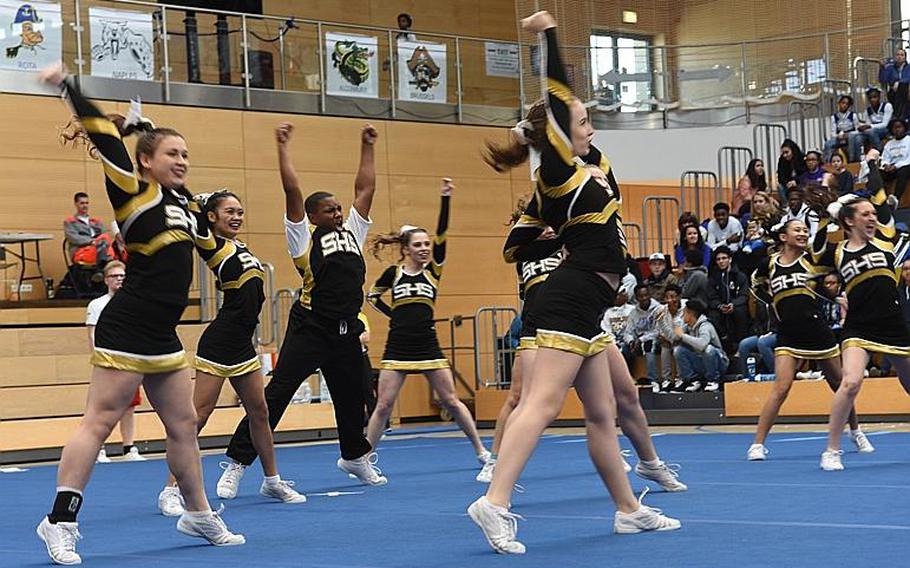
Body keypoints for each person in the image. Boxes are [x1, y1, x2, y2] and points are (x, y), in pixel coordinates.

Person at [469, 11, 679, 555]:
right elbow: (560, 96)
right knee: (539, 404)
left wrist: (557, 238)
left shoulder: (590, 166)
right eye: (583, 123)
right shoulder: (556, 171)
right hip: (572, 294)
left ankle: (629, 509)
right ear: (560, 133)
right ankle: (494, 502)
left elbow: (572, 133)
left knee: (603, 412)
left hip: (590, 302)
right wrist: (549, 36)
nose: (591, 129)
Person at [36, 63, 243, 566]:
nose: (183, 161)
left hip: (162, 335)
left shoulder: (187, 206)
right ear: (146, 161)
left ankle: (196, 512)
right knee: (99, 422)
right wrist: (69, 86)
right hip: (126, 326)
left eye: (187, 154)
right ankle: (59, 520)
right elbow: (103, 132)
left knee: (183, 426)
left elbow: (215, 248)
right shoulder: (134, 191)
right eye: (173, 153)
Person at [218, 121, 384, 494]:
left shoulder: (354, 234)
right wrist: (282, 147)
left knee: (352, 396)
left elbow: (365, 188)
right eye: (329, 210)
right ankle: (237, 462)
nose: (339, 213)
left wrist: (367, 145)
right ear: (312, 216)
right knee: (276, 395)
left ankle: (354, 456)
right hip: (311, 328)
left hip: (345, 329)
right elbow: (291, 189)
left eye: (339, 209)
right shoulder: (302, 238)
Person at [158, 190, 306, 517]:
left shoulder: (241, 247)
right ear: (212, 217)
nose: (237, 216)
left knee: (261, 413)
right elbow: (194, 219)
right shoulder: (213, 245)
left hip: (243, 343)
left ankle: (272, 480)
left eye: (240, 211)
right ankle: (170, 490)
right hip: (220, 341)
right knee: (196, 418)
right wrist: (196, 200)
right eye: (229, 211)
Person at [365, 179, 490, 467]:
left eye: (426, 244)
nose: (424, 249)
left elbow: (443, 234)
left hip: (427, 345)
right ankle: (365, 458)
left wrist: (445, 199)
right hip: (398, 346)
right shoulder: (393, 274)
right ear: (406, 249)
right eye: (418, 245)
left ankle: (482, 450)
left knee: (451, 400)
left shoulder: (433, 271)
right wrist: (392, 315)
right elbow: (372, 296)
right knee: (383, 405)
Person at [808, 150, 910, 470]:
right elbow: (813, 257)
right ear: (849, 220)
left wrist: (873, 167)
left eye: (872, 213)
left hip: (894, 325)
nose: (871, 217)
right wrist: (827, 214)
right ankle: (832, 450)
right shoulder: (838, 253)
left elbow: (880, 199)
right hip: (859, 327)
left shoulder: (887, 240)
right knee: (850, 382)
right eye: (864, 214)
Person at [746, 219, 870, 461]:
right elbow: (755, 284)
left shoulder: (812, 260)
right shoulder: (770, 264)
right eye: (798, 230)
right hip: (788, 334)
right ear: (784, 236)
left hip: (817, 331)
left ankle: (856, 431)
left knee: (841, 385)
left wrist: (837, 299)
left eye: (805, 230)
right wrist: (771, 300)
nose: (803, 233)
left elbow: (827, 284)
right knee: (781, 387)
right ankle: (758, 444)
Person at [476, 214, 563, 484]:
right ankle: (494, 459)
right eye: (544, 228)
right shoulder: (524, 258)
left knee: (595, 396)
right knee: (516, 397)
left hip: (566, 328)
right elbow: (529, 298)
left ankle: (613, 451)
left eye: (552, 227)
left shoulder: (567, 249)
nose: (550, 232)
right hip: (533, 332)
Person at [86, 260, 145, 464]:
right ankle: (99, 448)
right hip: (107, 363)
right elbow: (92, 335)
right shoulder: (97, 305)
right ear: (106, 280)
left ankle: (128, 446)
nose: (119, 279)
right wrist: (102, 361)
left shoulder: (134, 303)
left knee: (129, 407)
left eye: (122, 276)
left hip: (129, 361)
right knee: (102, 407)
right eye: (114, 276)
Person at [673, 298, 728, 392]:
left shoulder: (705, 325)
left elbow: (702, 345)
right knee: (678, 350)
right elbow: (674, 338)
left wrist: (683, 335)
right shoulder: (687, 326)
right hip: (702, 362)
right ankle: (693, 380)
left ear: (691, 314)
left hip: (719, 363)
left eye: (685, 313)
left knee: (708, 349)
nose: (682, 316)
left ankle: (713, 380)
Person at [707, 245, 750, 352]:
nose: (721, 261)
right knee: (712, 316)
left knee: (740, 312)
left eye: (724, 258)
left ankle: (741, 347)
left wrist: (733, 304)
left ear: (730, 259)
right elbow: (711, 297)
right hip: (720, 307)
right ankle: (720, 348)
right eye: (718, 259)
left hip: (736, 306)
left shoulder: (740, 276)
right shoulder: (713, 277)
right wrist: (719, 306)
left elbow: (744, 295)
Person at [64, 192, 114, 270]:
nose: (85, 206)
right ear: (76, 204)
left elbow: (105, 236)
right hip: (82, 251)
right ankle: (103, 267)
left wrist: (98, 241)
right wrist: (92, 241)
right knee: (107, 250)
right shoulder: (70, 222)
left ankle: (104, 265)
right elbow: (73, 238)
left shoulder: (96, 221)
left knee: (109, 241)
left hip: (98, 249)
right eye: (82, 203)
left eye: (87, 203)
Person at [623, 284, 662, 385]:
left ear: (649, 295)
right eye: (641, 296)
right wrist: (631, 341)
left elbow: (659, 331)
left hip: (656, 339)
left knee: (648, 344)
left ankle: (653, 379)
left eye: (646, 295)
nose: (644, 298)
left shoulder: (659, 309)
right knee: (625, 348)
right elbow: (627, 332)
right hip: (638, 341)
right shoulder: (633, 313)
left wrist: (641, 340)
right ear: (636, 298)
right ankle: (628, 379)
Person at [655, 284, 686, 391]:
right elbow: (658, 329)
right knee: (665, 347)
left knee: (677, 348)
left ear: (679, 297)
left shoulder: (686, 308)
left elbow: (680, 333)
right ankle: (666, 380)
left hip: (686, 340)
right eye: (667, 297)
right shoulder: (662, 310)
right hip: (668, 340)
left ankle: (680, 379)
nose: (670, 300)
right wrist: (663, 337)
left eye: (673, 297)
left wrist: (673, 315)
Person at [823, 95, 862, 163]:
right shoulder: (834, 117)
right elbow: (832, 133)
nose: (844, 105)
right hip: (839, 137)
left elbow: (857, 130)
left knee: (853, 139)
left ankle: (852, 160)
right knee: (828, 144)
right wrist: (838, 136)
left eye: (847, 104)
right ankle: (828, 162)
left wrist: (849, 134)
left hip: (850, 137)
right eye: (843, 103)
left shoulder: (853, 116)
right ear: (839, 103)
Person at [880, 117, 910, 202]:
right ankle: (883, 199)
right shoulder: (889, 144)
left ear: (904, 128)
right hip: (891, 169)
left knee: (904, 171)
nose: (897, 130)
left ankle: (896, 198)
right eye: (894, 128)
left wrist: (896, 166)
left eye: (899, 127)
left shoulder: (909, 140)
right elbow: (884, 158)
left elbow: (909, 159)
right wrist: (886, 165)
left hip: (905, 167)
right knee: (879, 174)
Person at [859, 86, 893, 151]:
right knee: (856, 136)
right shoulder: (868, 110)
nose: (872, 100)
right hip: (873, 131)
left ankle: (880, 151)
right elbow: (868, 124)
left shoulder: (887, 106)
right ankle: (855, 158)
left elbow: (885, 124)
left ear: (879, 97)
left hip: (886, 130)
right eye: (870, 98)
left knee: (871, 131)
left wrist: (869, 126)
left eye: (875, 97)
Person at [882, 48, 910, 120]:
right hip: (894, 92)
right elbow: (883, 79)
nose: (899, 57)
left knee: (903, 87)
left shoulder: (909, 67)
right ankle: (900, 117)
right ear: (895, 57)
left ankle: (900, 117)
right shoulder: (890, 68)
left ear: (905, 57)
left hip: (906, 91)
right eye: (897, 55)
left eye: (902, 55)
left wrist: (899, 83)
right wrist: (882, 68)